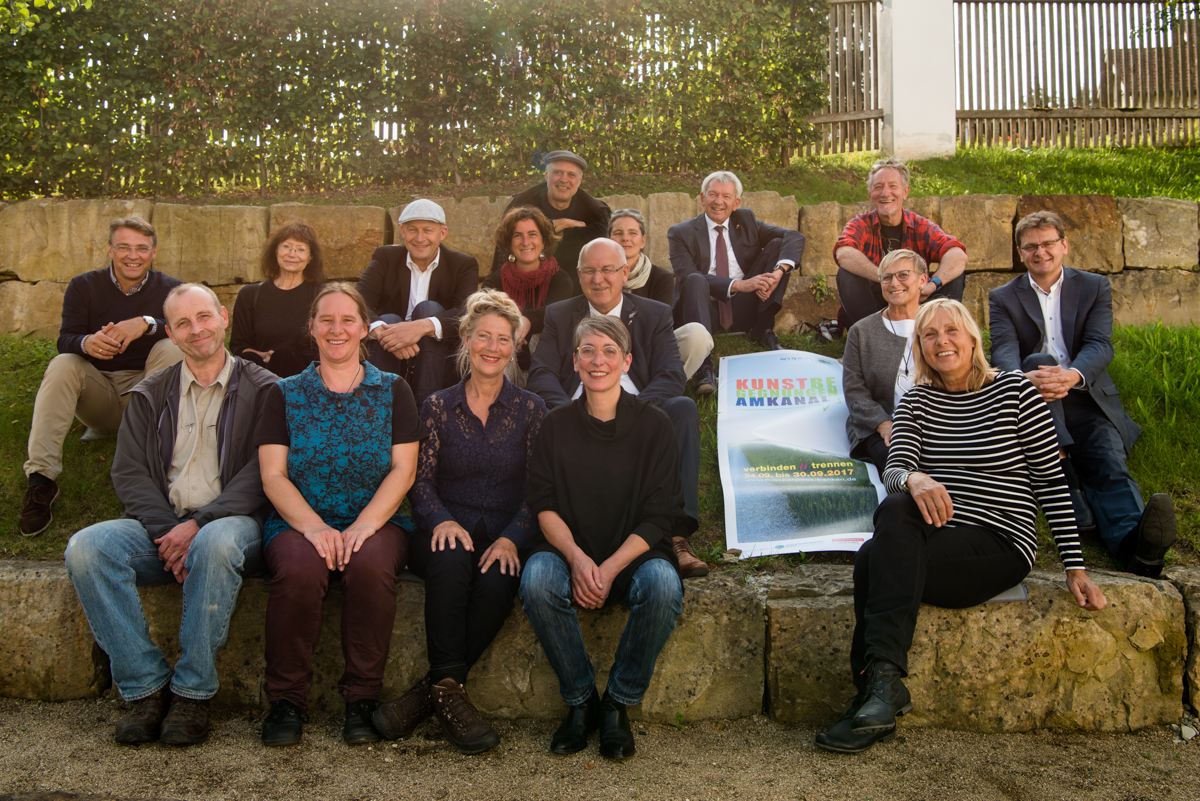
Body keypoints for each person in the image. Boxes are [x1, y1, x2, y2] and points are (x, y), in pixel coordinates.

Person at [815, 298, 1107, 755]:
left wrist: (1075, 567)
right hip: (937, 537)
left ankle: (871, 695)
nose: (941, 342)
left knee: (875, 558)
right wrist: (915, 476)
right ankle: (881, 690)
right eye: (929, 335)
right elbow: (894, 471)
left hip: (998, 543)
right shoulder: (916, 401)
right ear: (919, 349)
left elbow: (1051, 481)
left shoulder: (1015, 392)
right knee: (893, 514)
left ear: (972, 338)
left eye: (951, 331)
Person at [63, 283, 277, 746]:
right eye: (183, 323)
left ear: (223, 317)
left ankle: (193, 692)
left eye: (203, 317)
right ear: (172, 336)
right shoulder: (150, 392)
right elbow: (130, 472)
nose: (196, 329)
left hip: (236, 525)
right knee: (87, 548)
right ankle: (146, 688)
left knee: (216, 543)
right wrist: (171, 532)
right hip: (163, 525)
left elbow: (264, 473)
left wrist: (198, 527)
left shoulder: (266, 390)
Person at [371, 290, 546, 755]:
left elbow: (537, 489)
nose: (492, 346)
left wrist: (512, 539)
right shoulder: (436, 405)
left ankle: (431, 693)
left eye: (503, 339)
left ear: (514, 347)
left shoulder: (531, 409)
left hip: (506, 535)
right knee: (450, 560)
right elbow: (418, 481)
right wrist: (443, 521)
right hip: (443, 528)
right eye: (482, 336)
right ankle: (452, 700)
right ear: (465, 339)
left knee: (496, 582)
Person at [255, 283, 425, 748]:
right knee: (297, 569)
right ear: (311, 328)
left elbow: (403, 469)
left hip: (377, 519)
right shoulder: (284, 393)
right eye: (326, 320)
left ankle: (362, 700)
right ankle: (287, 700)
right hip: (299, 519)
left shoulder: (394, 390)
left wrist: (363, 527)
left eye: (347, 319)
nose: (337, 329)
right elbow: (273, 475)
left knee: (370, 566)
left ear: (364, 329)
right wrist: (313, 527)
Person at [520, 314, 686, 761]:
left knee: (664, 586)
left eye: (610, 351)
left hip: (633, 552)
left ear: (627, 361)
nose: (598, 361)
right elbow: (544, 504)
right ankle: (580, 702)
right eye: (588, 351)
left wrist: (610, 567)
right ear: (574, 361)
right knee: (536, 579)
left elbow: (659, 516)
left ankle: (617, 703)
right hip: (568, 549)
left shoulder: (655, 426)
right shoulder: (554, 425)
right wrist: (576, 560)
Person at [989, 210, 1177, 578]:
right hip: (1034, 397)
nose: (1040, 252)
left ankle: (1136, 546)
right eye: (1031, 247)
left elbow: (1099, 345)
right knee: (1040, 359)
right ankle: (1068, 481)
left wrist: (1071, 375)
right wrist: (1024, 380)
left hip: (1085, 394)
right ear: (1020, 253)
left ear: (1064, 245)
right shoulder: (1003, 296)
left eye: (1047, 244)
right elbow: (1004, 350)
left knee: (1108, 460)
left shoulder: (1094, 286)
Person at [528, 238, 708, 580]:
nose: (599, 279)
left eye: (608, 269)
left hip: (641, 408)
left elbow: (670, 374)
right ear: (579, 276)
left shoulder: (655, 313)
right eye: (590, 271)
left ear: (625, 272)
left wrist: (635, 412)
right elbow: (542, 372)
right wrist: (570, 411)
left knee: (683, 408)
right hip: (577, 410)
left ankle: (678, 536)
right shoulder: (560, 314)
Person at [20, 217, 182, 536]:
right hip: (101, 394)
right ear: (110, 250)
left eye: (141, 248)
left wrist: (146, 323)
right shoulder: (84, 285)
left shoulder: (170, 288)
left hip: (149, 395)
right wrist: (86, 343)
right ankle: (41, 481)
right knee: (64, 362)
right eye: (123, 247)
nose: (132, 255)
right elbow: (65, 338)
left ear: (153, 253)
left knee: (172, 345)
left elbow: (189, 329)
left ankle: (157, 472)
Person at [668, 170, 804, 391]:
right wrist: (739, 284)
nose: (718, 202)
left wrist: (778, 272)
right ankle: (703, 366)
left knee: (778, 245)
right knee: (693, 279)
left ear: (736, 202)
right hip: (704, 311)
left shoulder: (746, 221)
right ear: (702, 198)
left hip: (743, 306)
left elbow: (794, 237)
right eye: (712, 194)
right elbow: (685, 275)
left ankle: (761, 330)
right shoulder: (680, 232)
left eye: (726, 197)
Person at [357, 199, 480, 405]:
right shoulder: (385, 257)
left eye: (428, 230)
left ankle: (428, 411)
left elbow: (465, 313)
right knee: (388, 319)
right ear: (403, 232)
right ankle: (378, 414)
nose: (420, 238)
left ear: (442, 233)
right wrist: (386, 334)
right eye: (413, 230)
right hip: (389, 352)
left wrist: (421, 327)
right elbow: (358, 300)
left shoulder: (463, 264)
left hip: (437, 358)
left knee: (428, 309)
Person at [833, 157, 968, 331]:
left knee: (954, 274)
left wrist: (932, 284)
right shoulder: (860, 224)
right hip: (875, 308)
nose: (885, 193)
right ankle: (868, 338)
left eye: (893, 186)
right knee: (846, 273)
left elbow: (957, 255)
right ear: (869, 194)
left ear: (905, 192)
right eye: (878, 187)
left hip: (915, 305)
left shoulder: (921, 226)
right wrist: (886, 278)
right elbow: (844, 253)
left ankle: (938, 331)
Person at [842, 249, 929, 471]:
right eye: (886, 277)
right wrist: (883, 423)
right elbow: (854, 390)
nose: (894, 283)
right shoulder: (862, 331)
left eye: (903, 275)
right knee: (899, 464)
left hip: (935, 420)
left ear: (922, 280)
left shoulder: (940, 323)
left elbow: (967, 370)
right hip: (878, 426)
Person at [609, 209, 715, 392]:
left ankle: (659, 391)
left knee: (698, 335)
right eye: (618, 233)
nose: (625, 238)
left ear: (643, 241)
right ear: (608, 240)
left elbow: (658, 325)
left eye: (632, 233)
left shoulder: (661, 277)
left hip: (647, 350)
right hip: (605, 351)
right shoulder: (597, 275)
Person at [490, 150, 611, 293]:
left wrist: (543, 233)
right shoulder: (521, 204)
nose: (564, 180)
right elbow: (505, 251)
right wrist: (558, 224)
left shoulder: (595, 212)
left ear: (580, 180)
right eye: (558, 172)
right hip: (526, 290)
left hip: (575, 292)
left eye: (571, 175)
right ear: (546, 174)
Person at [480, 207, 574, 379]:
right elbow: (485, 313)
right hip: (505, 356)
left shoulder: (560, 278)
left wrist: (528, 320)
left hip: (549, 361)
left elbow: (558, 311)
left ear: (544, 241)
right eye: (517, 235)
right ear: (508, 243)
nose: (525, 242)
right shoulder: (495, 281)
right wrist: (514, 328)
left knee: (544, 332)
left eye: (532, 234)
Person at [230, 222, 325, 378]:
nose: (292, 254)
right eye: (286, 247)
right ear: (276, 251)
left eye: (300, 249)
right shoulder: (249, 295)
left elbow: (322, 347)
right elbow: (238, 346)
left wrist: (280, 358)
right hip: (258, 376)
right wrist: (265, 356)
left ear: (310, 257)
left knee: (286, 357)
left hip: (302, 378)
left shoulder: (321, 297)